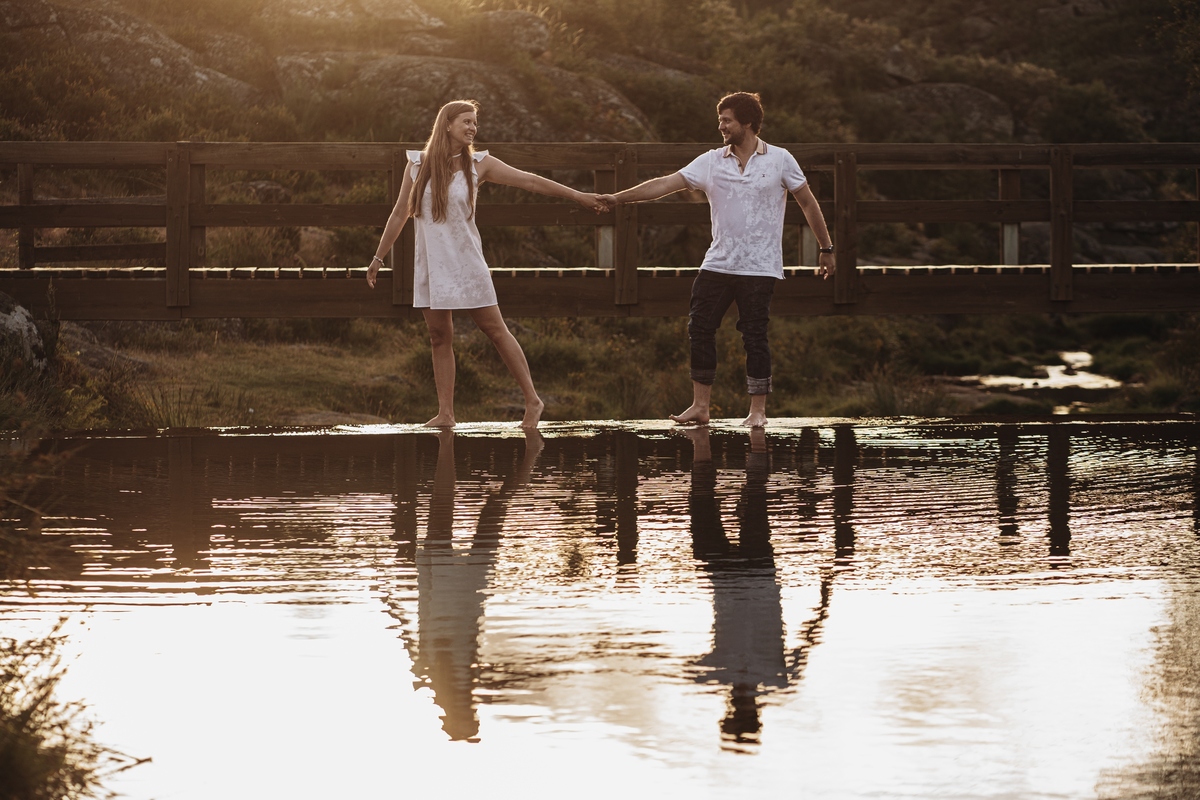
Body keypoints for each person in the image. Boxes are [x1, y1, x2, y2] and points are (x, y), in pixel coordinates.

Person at [367, 99, 607, 428]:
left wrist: (578, 196)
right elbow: (399, 213)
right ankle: (446, 413)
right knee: (439, 336)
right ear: (447, 124)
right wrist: (379, 257)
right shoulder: (416, 165)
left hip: (466, 261)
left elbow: (532, 181)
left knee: (494, 329)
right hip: (431, 263)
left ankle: (533, 401)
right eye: (466, 121)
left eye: (474, 123)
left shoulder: (481, 164)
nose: (472, 128)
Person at [601, 92, 836, 427]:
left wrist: (826, 249)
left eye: (727, 120)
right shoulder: (711, 161)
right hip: (718, 263)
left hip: (759, 266)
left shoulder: (781, 160)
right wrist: (617, 198)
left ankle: (757, 412)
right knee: (700, 327)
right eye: (720, 119)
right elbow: (666, 184)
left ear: (748, 123)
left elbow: (808, 203)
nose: (720, 126)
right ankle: (701, 406)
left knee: (754, 335)